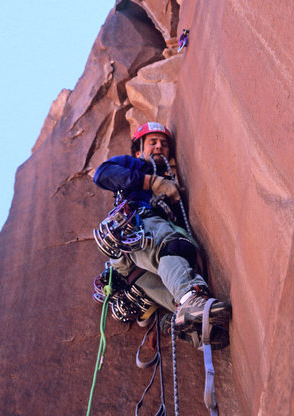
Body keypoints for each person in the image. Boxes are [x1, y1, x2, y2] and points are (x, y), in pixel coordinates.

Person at [93, 121, 231, 333]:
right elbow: (102, 174)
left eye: (164, 144)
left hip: (140, 268)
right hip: (138, 228)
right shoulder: (133, 165)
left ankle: (199, 333)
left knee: (182, 257)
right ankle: (189, 298)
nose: (159, 147)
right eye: (152, 142)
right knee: (174, 246)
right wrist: (152, 183)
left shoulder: (173, 183)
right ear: (139, 150)